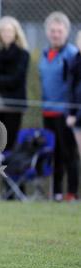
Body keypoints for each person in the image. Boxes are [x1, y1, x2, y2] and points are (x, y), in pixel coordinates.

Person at [39, 11, 79, 202]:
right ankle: (56, 193)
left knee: (68, 154)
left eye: (59, 31)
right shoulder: (45, 53)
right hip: (47, 111)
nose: (56, 34)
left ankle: (71, 192)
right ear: (48, 32)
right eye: (52, 31)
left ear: (66, 32)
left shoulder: (71, 54)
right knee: (52, 154)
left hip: (65, 113)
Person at [0, 16, 30, 152]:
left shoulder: (23, 54)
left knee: (9, 143)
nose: (7, 34)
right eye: (4, 31)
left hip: (14, 105)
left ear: (16, 33)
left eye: (10, 31)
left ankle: (8, 171)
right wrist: (2, 79)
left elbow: (16, 79)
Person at [67, 30, 81, 186]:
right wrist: (71, 114)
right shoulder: (74, 62)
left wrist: (76, 116)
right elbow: (71, 91)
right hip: (76, 118)